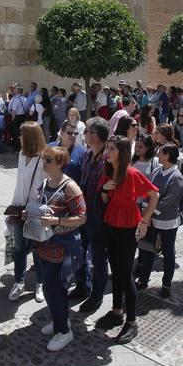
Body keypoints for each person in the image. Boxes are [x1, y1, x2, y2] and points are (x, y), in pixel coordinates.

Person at [96, 135, 159, 343]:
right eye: (107, 147)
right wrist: (104, 190)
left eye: (112, 149)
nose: (107, 152)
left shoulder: (131, 173)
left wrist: (145, 221)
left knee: (125, 274)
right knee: (115, 270)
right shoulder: (108, 171)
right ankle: (116, 311)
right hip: (111, 222)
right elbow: (104, 198)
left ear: (122, 152)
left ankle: (132, 322)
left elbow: (154, 195)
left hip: (128, 225)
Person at [33, 146, 86, 351]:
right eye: (44, 158)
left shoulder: (70, 187)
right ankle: (60, 321)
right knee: (55, 289)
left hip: (62, 248)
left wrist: (56, 221)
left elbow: (82, 217)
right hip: (45, 245)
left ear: (60, 163)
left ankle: (64, 331)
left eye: (48, 160)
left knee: (52, 289)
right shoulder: (45, 183)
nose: (44, 163)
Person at [135, 143, 183, 294]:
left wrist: (149, 213)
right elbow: (148, 190)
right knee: (148, 250)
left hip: (168, 222)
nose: (158, 154)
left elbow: (167, 202)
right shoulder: (157, 171)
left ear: (168, 155)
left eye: (161, 152)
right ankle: (143, 280)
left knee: (168, 253)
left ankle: (166, 284)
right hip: (152, 219)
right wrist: (145, 208)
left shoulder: (177, 177)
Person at [7, 121, 46, 302]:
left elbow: (46, 189)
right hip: (18, 208)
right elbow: (19, 185)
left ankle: (40, 283)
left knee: (38, 248)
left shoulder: (43, 159)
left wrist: (36, 210)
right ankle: (19, 282)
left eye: (22, 135)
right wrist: (13, 207)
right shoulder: (21, 155)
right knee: (19, 248)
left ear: (30, 137)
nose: (19, 137)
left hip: (35, 211)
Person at [76, 118, 111, 314]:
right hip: (83, 214)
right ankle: (83, 286)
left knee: (99, 258)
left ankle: (97, 296)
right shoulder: (87, 154)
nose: (85, 134)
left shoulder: (108, 159)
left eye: (88, 131)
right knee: (80, 250)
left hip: (99, 217)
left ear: (96, 136)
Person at [55, 120, 86, 184]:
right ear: (61, 133)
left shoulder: (83, 152)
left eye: (75, 133)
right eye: (69, 133)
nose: (73, 135)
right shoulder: (50, 148)